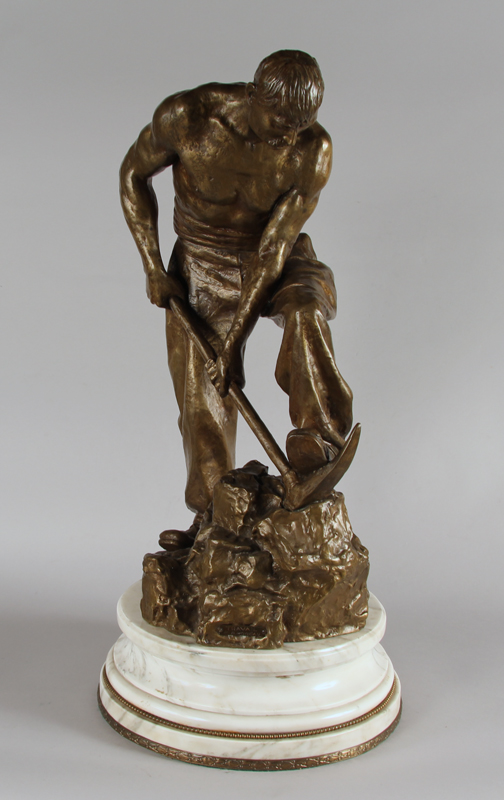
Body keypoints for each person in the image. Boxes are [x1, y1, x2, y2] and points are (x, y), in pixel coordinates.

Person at [120, 50, 353, 547]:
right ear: (252, 95)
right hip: (202, 264)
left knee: (307, 310)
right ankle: (213, 514)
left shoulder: (312, 150)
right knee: (202, 398)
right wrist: (153, 267)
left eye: (297, 128)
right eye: (278, 124)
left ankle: (319, 443)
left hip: (278, 258)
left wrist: (234, 343)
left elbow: (273, 251)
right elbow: (133, 175)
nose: (286, 138)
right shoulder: (188, 118)